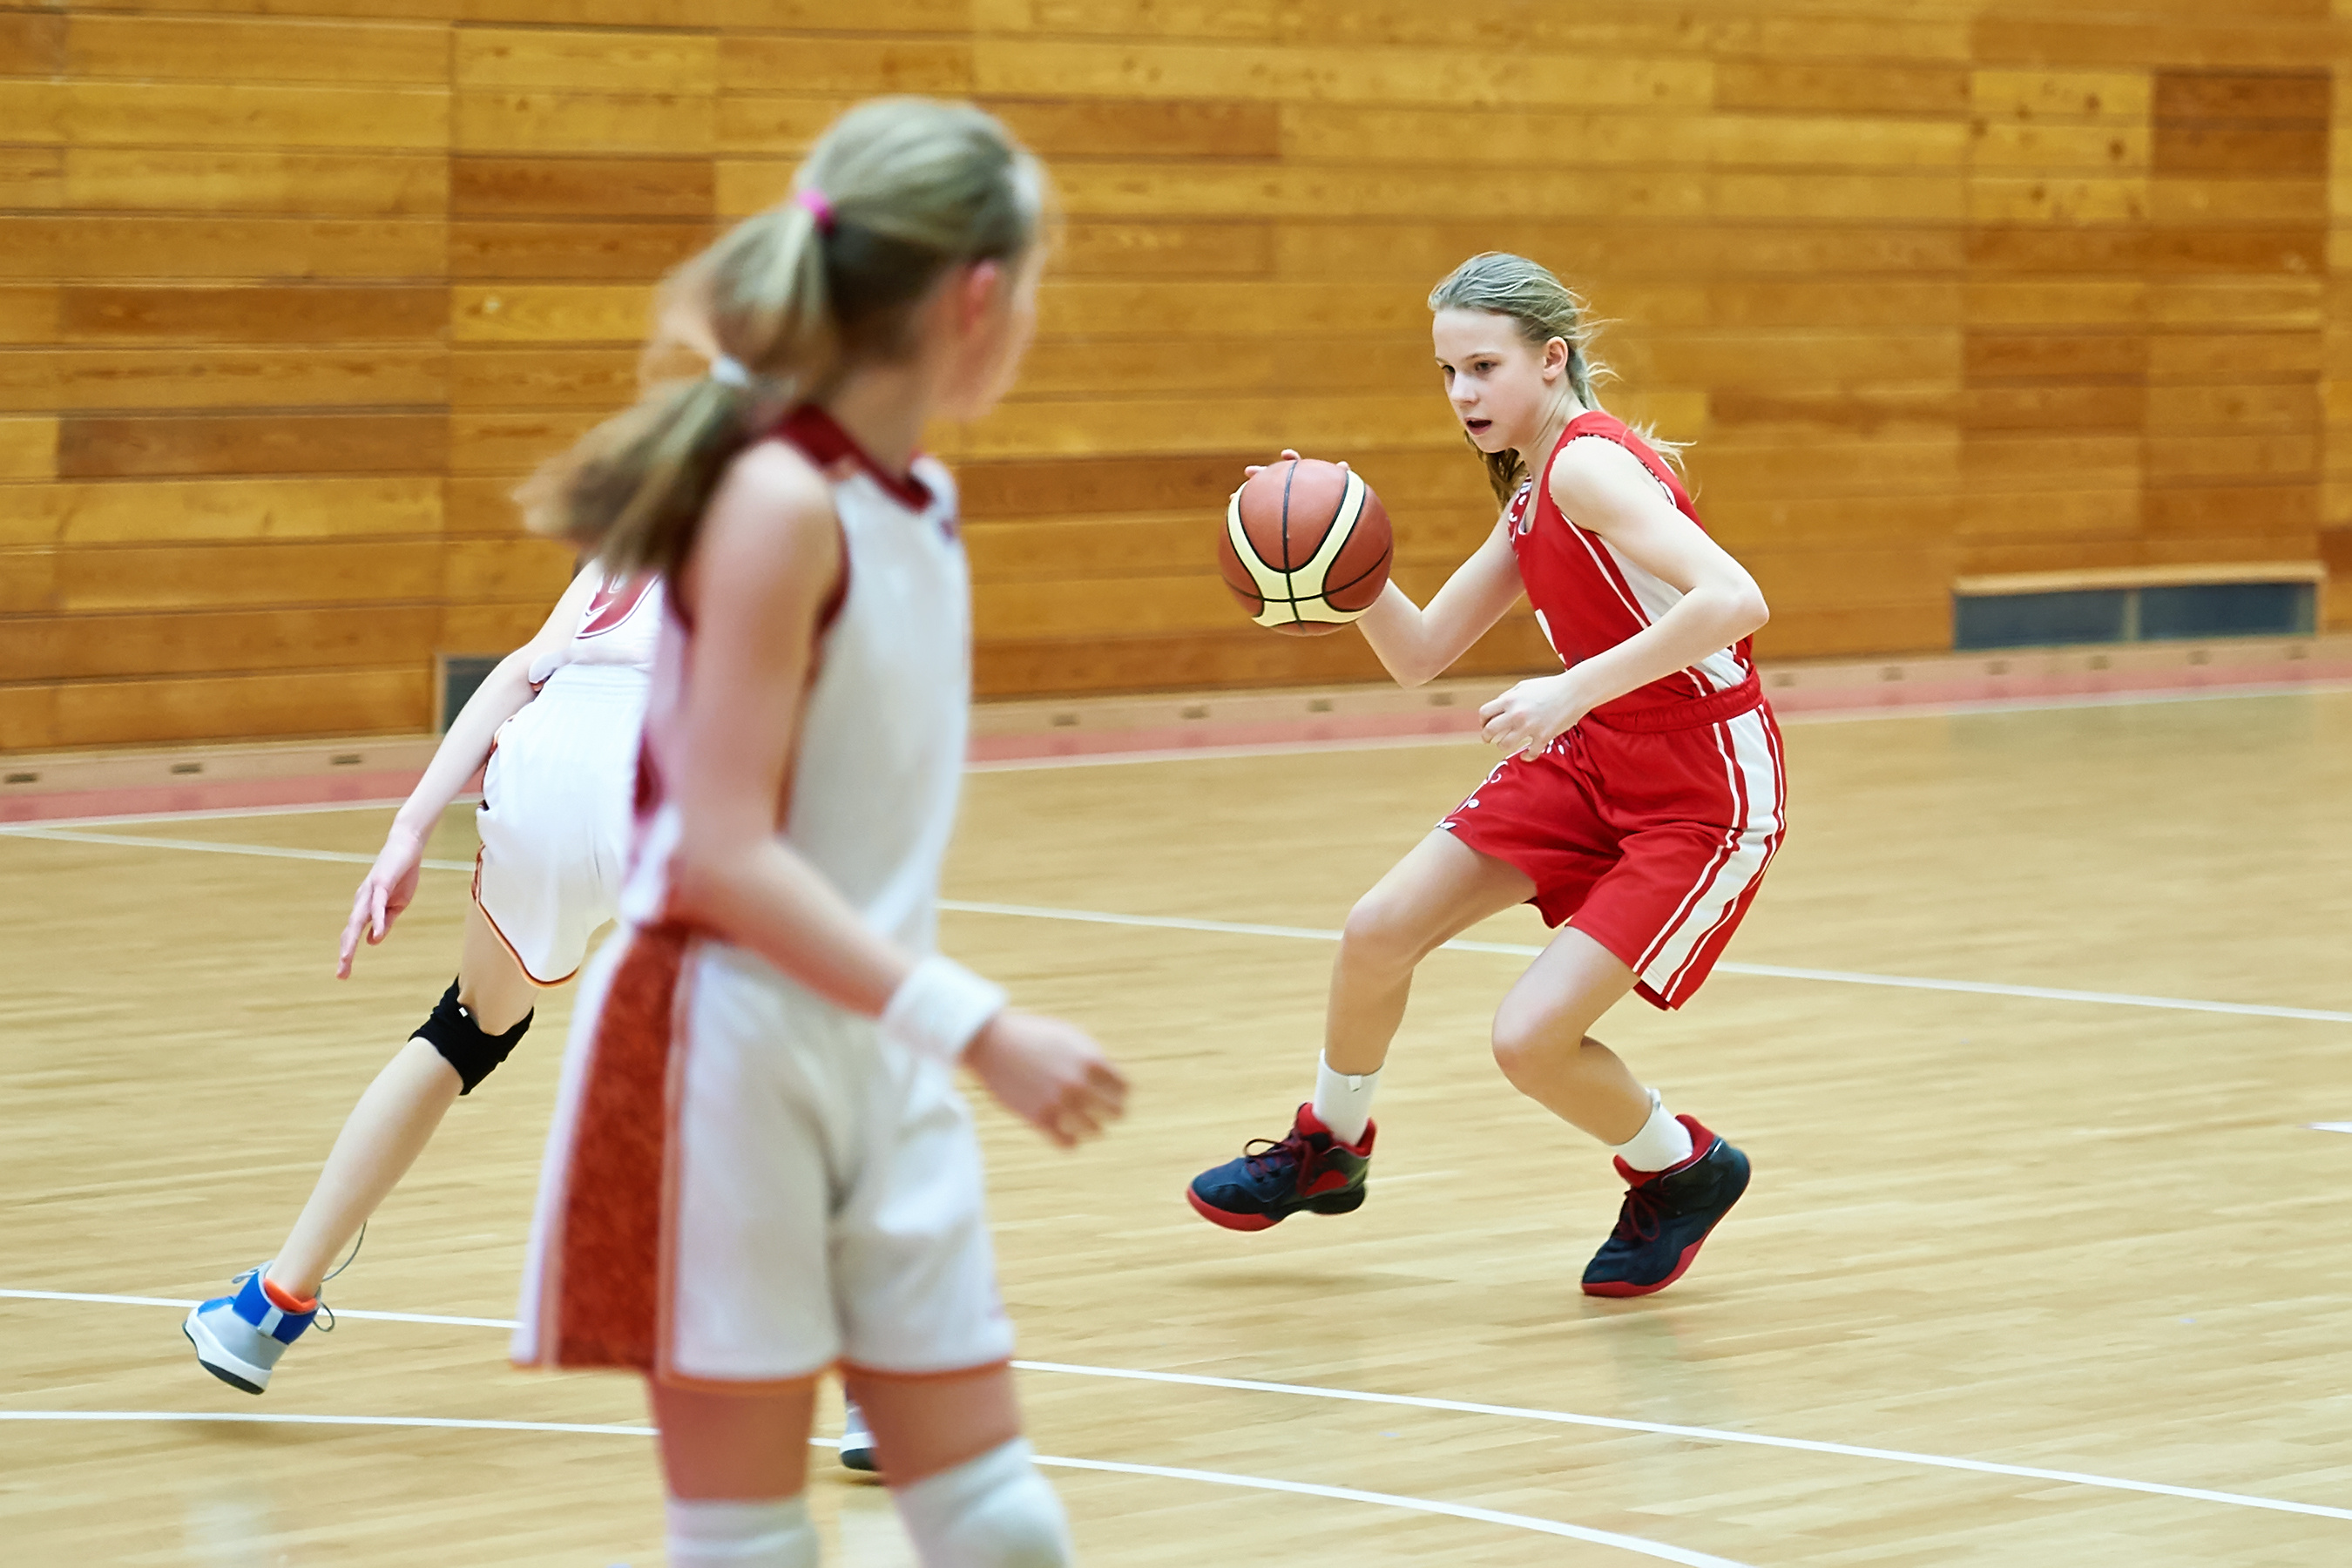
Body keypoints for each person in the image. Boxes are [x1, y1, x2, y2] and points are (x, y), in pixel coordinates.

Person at [508, 98, 1126, 1568]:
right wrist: (978, 1025)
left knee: (998, 1526)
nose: (1033, 318)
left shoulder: (921, 502)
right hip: (722, 1043)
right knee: (751, 1543)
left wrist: (930, 1027)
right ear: (978, 298)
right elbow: (721, 853)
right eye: (1034, 288)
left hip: (872, 1028)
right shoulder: (777, 503)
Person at [1186, 253, 1785, 1299]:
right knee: (1378, 929)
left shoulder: (1591, 468)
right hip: (1598, 757)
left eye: (1483, 367)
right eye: (1447, 372)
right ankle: (1329, 1144)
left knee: (1529, 1041)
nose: (1462, 394)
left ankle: (1681, 1169)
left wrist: (1570, 691)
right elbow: (1417, 650)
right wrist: (1328, 547)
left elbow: (1735, 598)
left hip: (1701, 787)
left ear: (1551, 361)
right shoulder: (1531, 493)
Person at [183, 562, 658, 1392]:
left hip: (547, 766)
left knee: (467, 1029)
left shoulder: (639, 523)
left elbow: (521, 671)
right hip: (672, 770)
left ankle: (266, 1310)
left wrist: (409, 829)